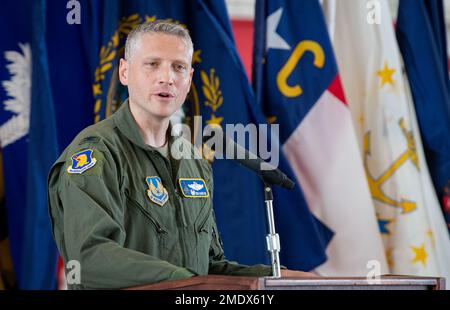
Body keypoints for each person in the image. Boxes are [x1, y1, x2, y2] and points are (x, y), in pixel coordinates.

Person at [48, 21, 312, 289]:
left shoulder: (194, 163)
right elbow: (90, 259)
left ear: (189, 79)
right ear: (124, 72)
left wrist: (273, 280)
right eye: (152, 64)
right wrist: (189, 282)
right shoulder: (96, 154)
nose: (167, 77)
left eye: (179, 67)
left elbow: (209, 267)